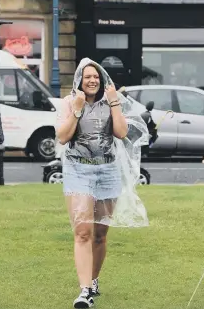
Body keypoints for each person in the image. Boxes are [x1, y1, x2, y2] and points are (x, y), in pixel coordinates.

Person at [56, 58, 149, 308]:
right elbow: (63, 137)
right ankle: (84, 291)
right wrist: (76, 108)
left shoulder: (110, 102)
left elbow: (121, 132)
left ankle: (94, 281)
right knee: (83, 231)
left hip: (108, 171)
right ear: (79, 80)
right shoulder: (68, 102)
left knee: (100, 234)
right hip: (78, 170)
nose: (92, 80)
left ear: (102, 79)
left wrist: (114, 102)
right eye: (87, 76)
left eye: (96, 76)